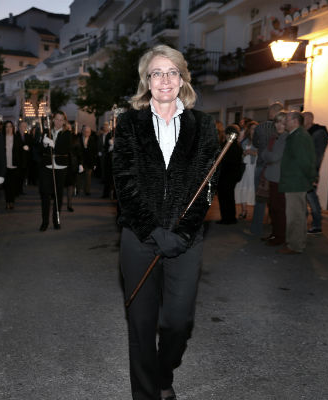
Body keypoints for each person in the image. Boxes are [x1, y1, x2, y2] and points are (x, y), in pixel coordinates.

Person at [113, 45, 218, 400]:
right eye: (156, 73)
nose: (165, 79)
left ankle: (163, 370)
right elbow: (124, 182)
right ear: (146, 81)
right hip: (139, 237)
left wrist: (184, 232)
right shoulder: (129, 123)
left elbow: (207, 184)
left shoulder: (203, 125)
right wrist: (151, 231)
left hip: (185, 240)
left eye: (172, 71)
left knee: (178, 322)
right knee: (141, 326)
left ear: (183, 78)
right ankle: (146, 393)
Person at [278, 111, 316, 254]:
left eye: (287, 119)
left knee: (295, 216)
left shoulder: (298, 137)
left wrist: (311, 178)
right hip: (295, 181)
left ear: (295, 121)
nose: (284, 122)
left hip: (296, 182)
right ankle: (297, 243)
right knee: (297, 214)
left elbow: (305, 162)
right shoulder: (296, 135)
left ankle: (295, 246)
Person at [250, 102, 284, 236]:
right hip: (277, 167)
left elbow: (255, 143)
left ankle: (256, 228)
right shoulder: (284, 129)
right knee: (276, 198)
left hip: (261, 165)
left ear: (270, 112)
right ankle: (274, 226)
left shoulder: (260, 127)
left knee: (260, 199)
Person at [39, 110, 72, 231]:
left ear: (64, 121)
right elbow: (40, 150)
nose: (58, 121)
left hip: (60, 167)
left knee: (58, 196)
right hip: (47, 167)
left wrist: (52, 143)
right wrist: (44, 144)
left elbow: (65, 149)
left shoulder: (67, 133)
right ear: (53, 120)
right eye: (56, 119)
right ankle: (44, 222)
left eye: (61, 119)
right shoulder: (47, 132)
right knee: (45, 195)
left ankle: (56, 220)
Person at [260, 112, 288, 246]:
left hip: (279, 178)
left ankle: (280, 237)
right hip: (272, 176)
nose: (279, 125)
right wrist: (269, 156)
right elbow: (264, 153)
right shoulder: (274, 137)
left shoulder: (285, 137)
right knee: (272, 207)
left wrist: (268, 156)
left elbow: (274, 156)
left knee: (279, 208)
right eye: (277, 122)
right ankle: (275, 234)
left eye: (282, 122)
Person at [302, 111, 328, 234]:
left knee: (311, 197)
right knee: (303, 197)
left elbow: (318, 155)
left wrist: (313, 173)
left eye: (303, 117)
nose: (301, 120)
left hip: (310, 172)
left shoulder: (318, 133)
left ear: (310, 119)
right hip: (303, 170)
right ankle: (303, 222)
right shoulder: (305, 132)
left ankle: (317, 225)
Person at [216, 124, 244, 224]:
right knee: (229, 198)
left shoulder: (227, 146)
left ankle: (227, 218)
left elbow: (223, 161)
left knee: (225, 198)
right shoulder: (237, 146)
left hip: (225, 176)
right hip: (231, 176)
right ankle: (230, 217)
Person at [235, 121, 258, 219]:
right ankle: (244, 211)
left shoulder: (259, 140)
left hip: (254, 167)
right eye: (252, 128)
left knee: (253, 188)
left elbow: (263, 154)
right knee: (242, 187)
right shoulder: (244, 140)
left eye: (256, 128)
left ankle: (256, 211)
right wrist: (243, 153)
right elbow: (239, 151)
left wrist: (253, 153)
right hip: (244, 166)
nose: (254, 130)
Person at [2, 120, 22, 210]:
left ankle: (12, 201)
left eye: (10, 126)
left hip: (14, 165)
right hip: (5, 165)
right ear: (4, 128)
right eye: (7, 126)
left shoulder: (17, 137)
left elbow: (20, 151)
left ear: (13, 128)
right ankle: (7, 202)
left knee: (13, 185)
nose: (8, 128)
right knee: (6, 185)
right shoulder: (2, 138)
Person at [65, 126, 83, 211]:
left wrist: (80, 164)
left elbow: (79, 152)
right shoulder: (60, 136)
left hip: (72, 165)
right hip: (62, 163)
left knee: (70, 185)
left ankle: (69, 204)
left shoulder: (75, 138)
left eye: (69, 128)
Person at [79, 125, 98, 195]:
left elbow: (94, 152)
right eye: (85, 131)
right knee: (79, 176)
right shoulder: (79, 138)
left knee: (88, 176)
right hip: (80, 161)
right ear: (82, 131)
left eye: (88, 132)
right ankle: (78, 189)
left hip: (90, 161)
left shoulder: (93, 140)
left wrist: (95, 163)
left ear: (90, 132)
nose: (86, 133)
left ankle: (87, 190)